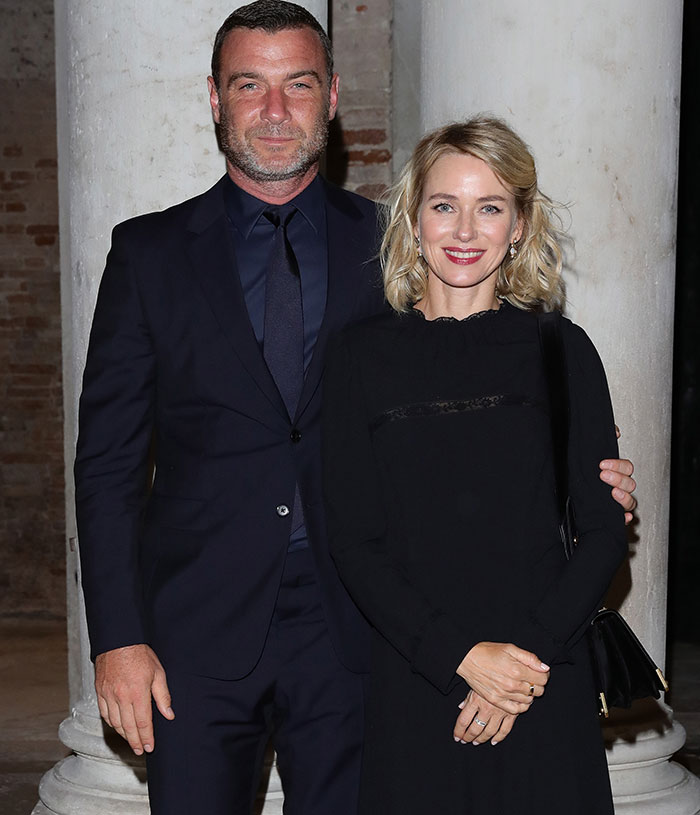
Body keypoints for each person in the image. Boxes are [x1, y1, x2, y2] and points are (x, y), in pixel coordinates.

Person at [74, 2, 637, 812]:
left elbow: (466, 390)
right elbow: (109, 464)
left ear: (332, 96)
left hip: (361, 635)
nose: (275, 111)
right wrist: (118, 636)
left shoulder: (391, 245)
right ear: (213, 98)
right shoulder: (149, 253)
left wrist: (585, 479)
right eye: (249, 86)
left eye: (298, 84)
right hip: (196, 630)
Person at [322, 116, 628, 814]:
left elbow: (603, 532)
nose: (465, 230)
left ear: (519, 223)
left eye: (489, 206)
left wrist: (519, 666)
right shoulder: (358, 358)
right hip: (418, 678)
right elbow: (355, 541)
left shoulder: (563, 349)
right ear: (413, 216)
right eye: (444, 205)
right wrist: (461, 657)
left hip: (543, 676)